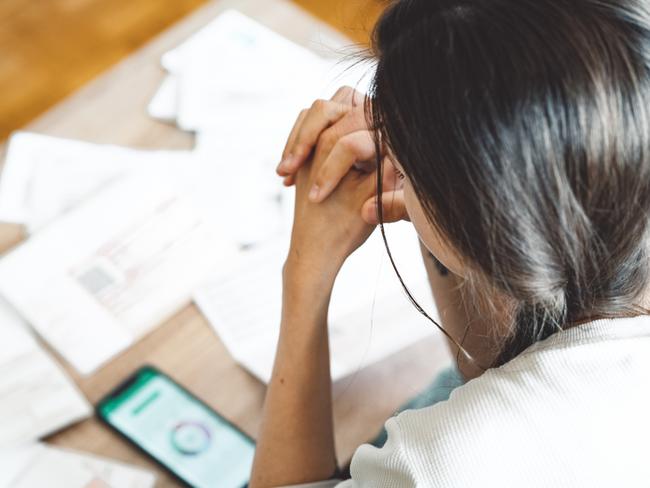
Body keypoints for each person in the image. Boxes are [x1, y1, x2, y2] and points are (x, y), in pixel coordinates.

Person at [249, 0, 650, 486]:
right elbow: (488, 364)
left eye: (405, 164)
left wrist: (305, 275)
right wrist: (434, 180)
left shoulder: (439, 463)